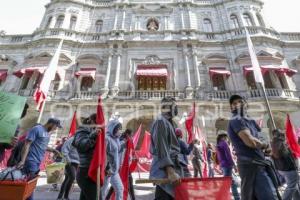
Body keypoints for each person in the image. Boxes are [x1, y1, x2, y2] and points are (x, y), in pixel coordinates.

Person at [227, 94, 279, 200]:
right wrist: (264, 145)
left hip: (259, 163)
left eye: (240, 101)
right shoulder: (237, 120)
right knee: (269, 197)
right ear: (231, 108)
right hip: (251, 165)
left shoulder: (250, 120)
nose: (238, 104)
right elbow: (250, 142)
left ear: (246, 104)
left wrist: (266, 147)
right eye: (234, 103)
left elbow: (261, 136)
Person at [150, 96, 187, 200]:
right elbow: (161, 148)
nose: (176, 108)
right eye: (174, 105)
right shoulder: (161, 121)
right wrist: (170, 172)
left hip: (172, 168)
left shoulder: (169, 123)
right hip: (165, 172)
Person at [16, 118, 62, 200]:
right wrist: (23, 160)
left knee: (29, 184)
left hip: (37, 162)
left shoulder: (47, 133)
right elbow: (27, 144)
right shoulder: (37, 129)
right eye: (55, 127)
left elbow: (43, 146)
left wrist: (54, 150)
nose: (55, 129)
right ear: (51, 124)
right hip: (30, 160)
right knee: (30, 185)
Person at [73, 114, 100, 200]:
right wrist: (93, 135)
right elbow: (82, 146)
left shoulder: (94, 131)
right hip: (86, 171)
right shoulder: (82, 130)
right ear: (91, 121)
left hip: (93, 170)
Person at [105, 129, 136, 200]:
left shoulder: (125, 141)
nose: (132, 137)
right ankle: (106, 198)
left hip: (121, 166)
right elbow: (118, 154)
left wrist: (131, 158)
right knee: (117, 185)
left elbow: (128, 154)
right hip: (117, 167)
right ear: (128, 134)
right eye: (131, 135)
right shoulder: (120, 141)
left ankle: (107, 198)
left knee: (121, 186)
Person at [271, 129, 300, 200]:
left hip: (283, 168)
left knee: (294, 185)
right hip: (288, 168)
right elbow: (280, 154)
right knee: (292, 186)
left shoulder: (275, 142)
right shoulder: (279, 142)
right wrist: (288, 148)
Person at [101, 119, 126, 200]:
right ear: (113, 128)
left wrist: (124, 142)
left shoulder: (116, 139)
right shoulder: (106, 138)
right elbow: (103, 153)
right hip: (107, 171)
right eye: (118, 129)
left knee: (120, 189)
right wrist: (106, 168)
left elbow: (116, 150)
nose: (119, 131)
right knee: (102, 192)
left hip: (114, 171)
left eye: (120, 129)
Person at [216, 131, 240, 200]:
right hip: (227, 165)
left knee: (230, 182)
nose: (227, 138)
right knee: (229, 183)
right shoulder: (224, 143)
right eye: (227, 137)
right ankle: (223, 196)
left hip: (223, 165)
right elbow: (228, 155)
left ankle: (235, 197)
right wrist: (233, 164)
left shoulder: (219, 143)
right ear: (224, 137)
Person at [57, 136, 79, 200]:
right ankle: (65, 196)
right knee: (72, 177)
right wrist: (68, 159)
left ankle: (61, 196)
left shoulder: (81, 139)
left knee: (67, 179)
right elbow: (64, 150)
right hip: (69, 162)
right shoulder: (71, 139)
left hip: (77, 162)